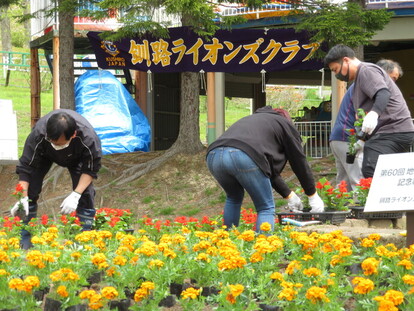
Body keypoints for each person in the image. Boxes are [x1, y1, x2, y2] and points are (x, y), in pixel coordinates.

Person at [206, 106, 324, 232]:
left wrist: (289, 195)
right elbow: (299, 162)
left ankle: (227, 243)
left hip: (214, 154)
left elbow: (267, 170)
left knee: (233, 197)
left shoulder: (254, 120)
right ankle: (264, 249)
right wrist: (312, 194)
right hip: (243, 154)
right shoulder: (284, 124)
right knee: (265, 208)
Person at [11, 109, 102, 249]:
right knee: (30, 192)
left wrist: (76, 194)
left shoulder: (88, 138)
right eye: (53, 142)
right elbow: (26, 168)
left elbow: (90, 169)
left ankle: (83, 238)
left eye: (59, 144)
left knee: (85, 193)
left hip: (77, 156)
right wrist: (22, 197)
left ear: (73, 134)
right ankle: (25, 239)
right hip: (44, 154)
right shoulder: (39, 134)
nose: (56, 146)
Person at [324, 44, 414, 178]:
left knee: (371, 169)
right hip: (393, 132)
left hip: (393, 130)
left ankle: (382, 198)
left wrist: (374, 114)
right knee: (381, 171)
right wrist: (361, 140)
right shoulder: (358, 82)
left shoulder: (366, 70)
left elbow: (383, 93)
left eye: (336, 69)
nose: (337, 75)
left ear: (346, 60)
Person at [329, 59, 404, 191]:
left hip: (339, 138)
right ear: (382, 73)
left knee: (343, 186)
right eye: (392, 78)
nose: (393, 83)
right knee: (360, 182)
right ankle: (364, 212)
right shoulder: (368, 86)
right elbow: (364, 116)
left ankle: (340, 210)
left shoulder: (361, 84)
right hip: (349, 138)